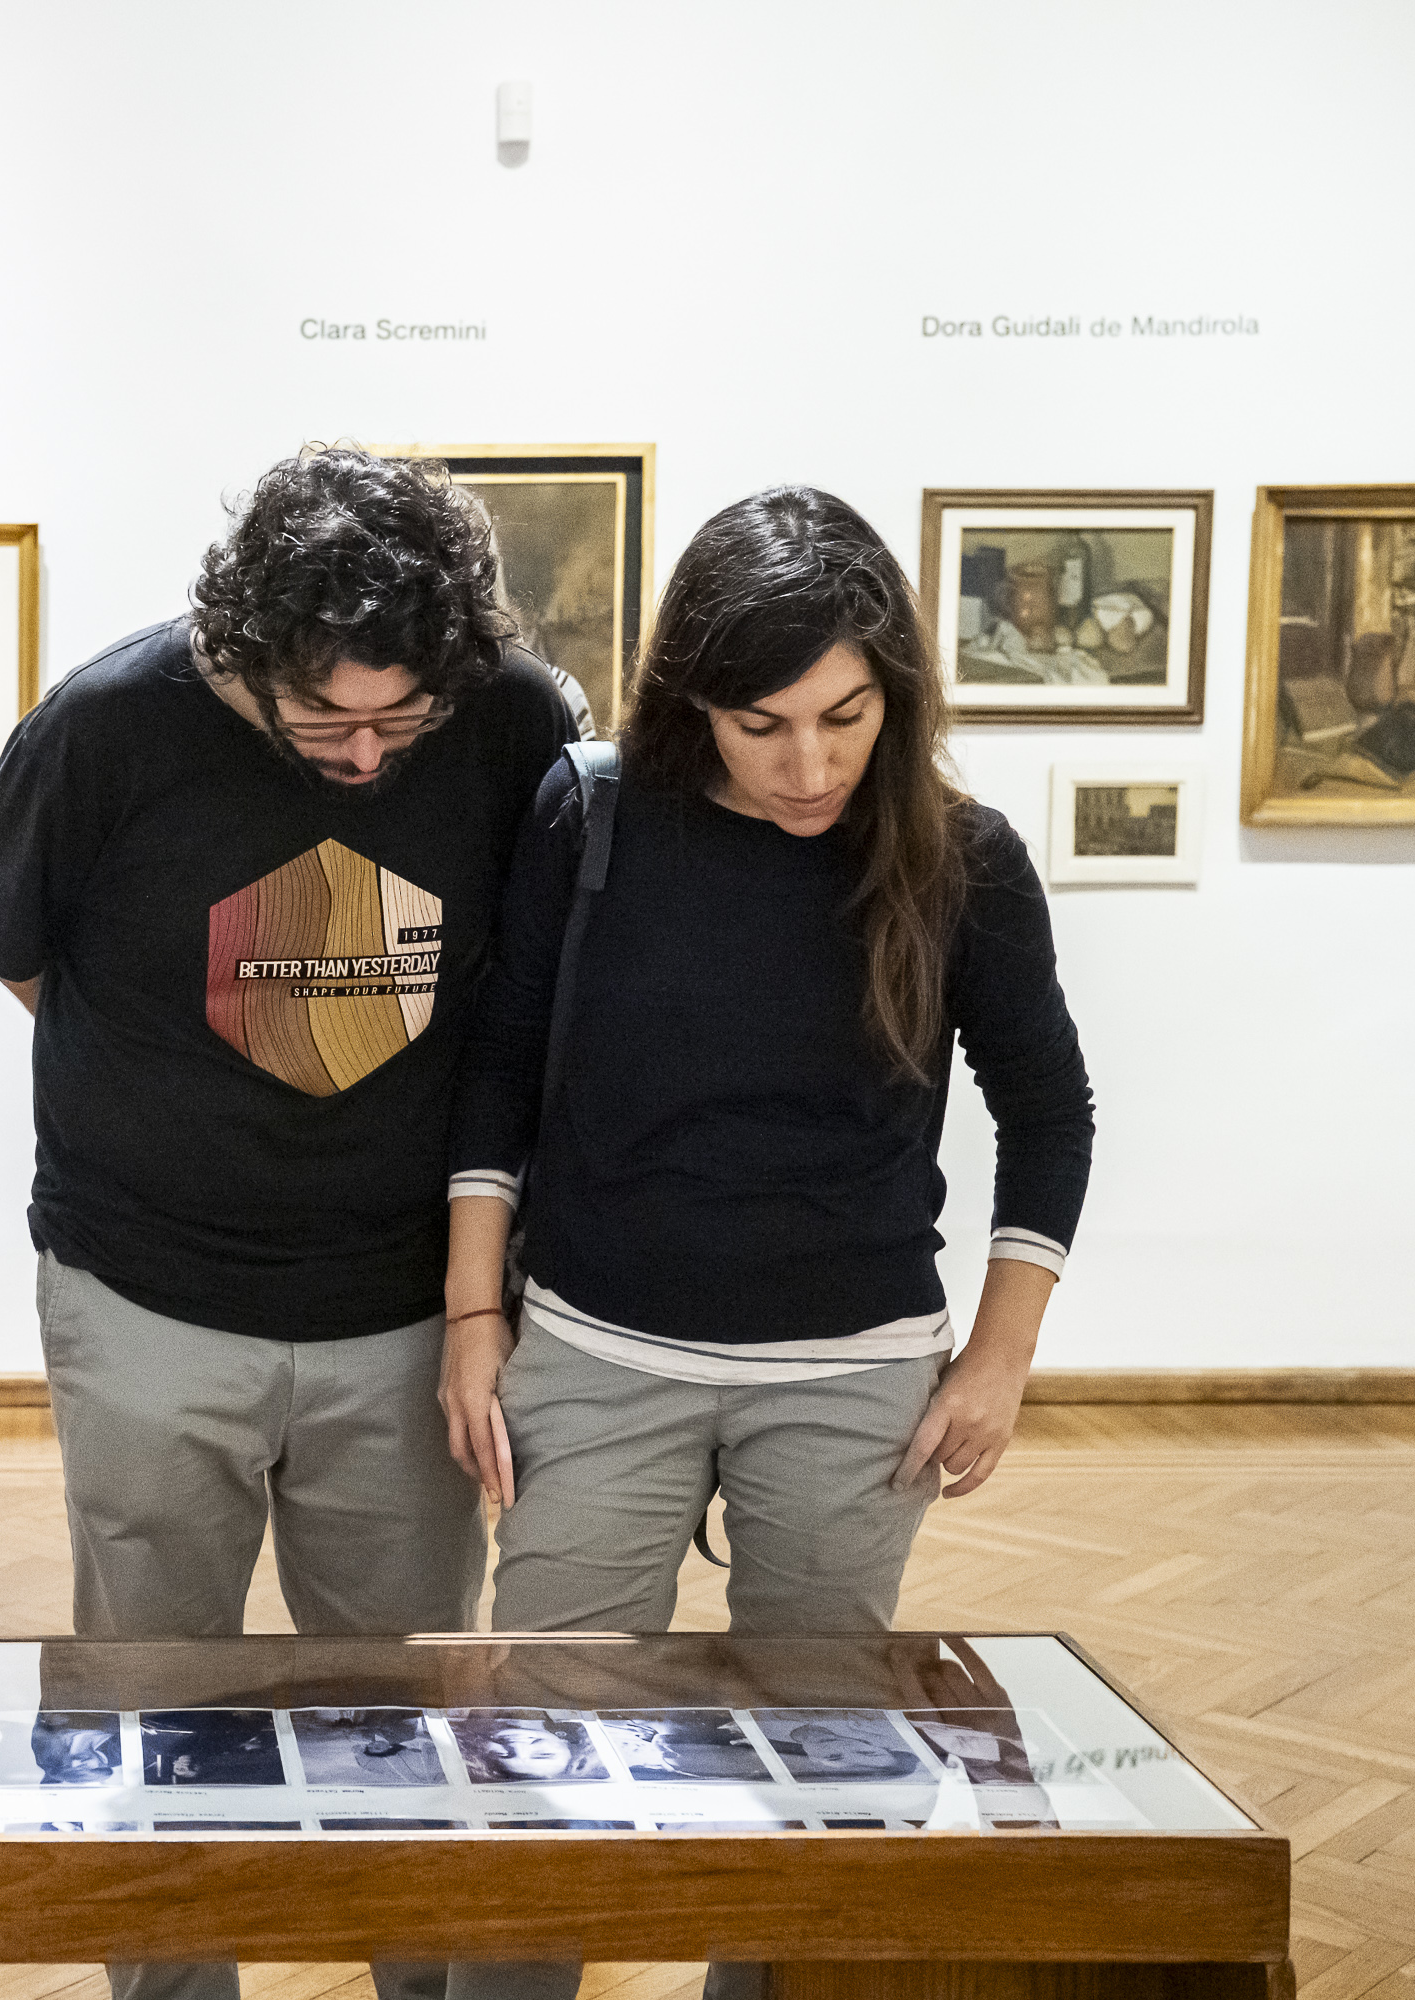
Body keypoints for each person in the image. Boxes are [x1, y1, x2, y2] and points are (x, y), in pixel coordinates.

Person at [434, 487, 1093, 2000]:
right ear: (693, 706)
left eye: (847, 718)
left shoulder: (963, 860)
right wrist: (478, 1319)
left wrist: (999, 1360)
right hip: (597, 1360)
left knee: (825, 1778)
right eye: (763, 725)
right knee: (543, 1761)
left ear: (897, 694)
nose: (810, 765)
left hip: (853, 1383)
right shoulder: (589, 814)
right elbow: (499, 1065)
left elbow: (1050, 1117)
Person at [0, 447, 574, 2000]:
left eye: (401, 719)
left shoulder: (510, 719)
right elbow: (21, 952)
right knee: (148, 1704)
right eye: (326, 720)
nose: (367, 757)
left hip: (402, 1320)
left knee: (411, 1712)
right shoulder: (101, 732)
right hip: (147, 1299)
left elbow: (530, 993)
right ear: (241, 655)